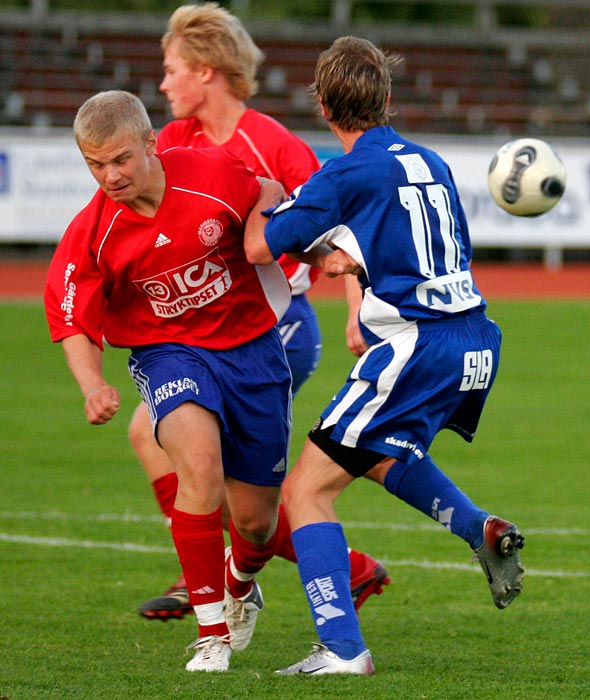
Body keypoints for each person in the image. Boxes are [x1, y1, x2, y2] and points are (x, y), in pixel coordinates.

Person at [244, 36, 526, 675]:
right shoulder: (430, 161)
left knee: (305, 490)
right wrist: (349, 261)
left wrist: (254, 192)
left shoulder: (343, 174)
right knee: (372, 454)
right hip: (474, 338)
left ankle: (342, 648)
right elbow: (426, 249)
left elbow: (263, 247)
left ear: (322, 103)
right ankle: (479, 527)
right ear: (388, 97)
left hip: (416, 345)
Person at [43, 89, 335, 673]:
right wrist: (92, 384)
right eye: (95, 165)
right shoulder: (93, 231)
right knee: (197, 466)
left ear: (151, 143)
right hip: (167, 353)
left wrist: (264, 229)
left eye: (120, 159)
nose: (110, 175)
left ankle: (242, 582)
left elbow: (270, 191)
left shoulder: (209, 172)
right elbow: (70, 317)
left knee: (255, 522)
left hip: (253, 350)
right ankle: (211, 635)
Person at [130, 2, 390, 625]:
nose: (163, 84)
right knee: (172, 447)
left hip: (281, 327)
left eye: (171, 70)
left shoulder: (270, 142)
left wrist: (357, 312)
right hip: (205, 335)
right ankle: (242, 571)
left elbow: (345, 225)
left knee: (199, 462)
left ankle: (228, 575)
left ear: (207, 71)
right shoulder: (170, 142)